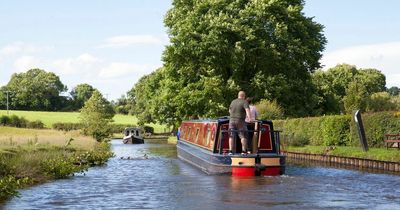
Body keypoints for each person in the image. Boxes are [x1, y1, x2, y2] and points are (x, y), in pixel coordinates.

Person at [228, 91, 251, 155]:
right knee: (243, 136)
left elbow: (229, 111)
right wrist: (250, 119)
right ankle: (243, 151)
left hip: (231, 121)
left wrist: (233, 115)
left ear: (238, 95)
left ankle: (230, 151)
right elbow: (247, 110)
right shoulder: (244, 101)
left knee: (231, 136)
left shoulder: (233, 101)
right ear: (244, 96)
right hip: (240, 121)